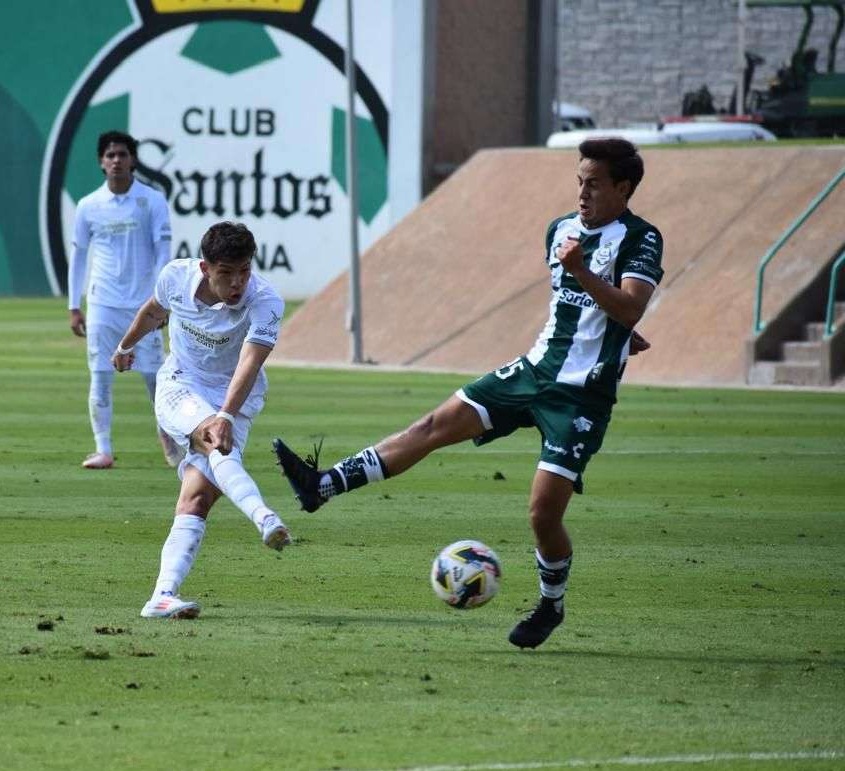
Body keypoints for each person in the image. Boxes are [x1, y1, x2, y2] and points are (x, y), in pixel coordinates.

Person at [274, 137, 663, 649]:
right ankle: (321, 486)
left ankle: (550, 605)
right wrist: (608, 324)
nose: (582, 193)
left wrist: (592, 286)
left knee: (543, 513)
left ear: (624, 187)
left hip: (581, 397)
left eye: (594, 183)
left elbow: (630, 306)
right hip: (533, 370)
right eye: (579, 181)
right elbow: (580, 308)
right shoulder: (560, 231)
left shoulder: (641, 238)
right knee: (431, 427)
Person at [114, 221, 291, 619]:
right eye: (226, 273)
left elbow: (251, 359)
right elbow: (153, 311)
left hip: (236, 397)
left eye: (244, 270)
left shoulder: (266, 300)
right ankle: (264, 518)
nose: (237, 283)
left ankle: (161, 596)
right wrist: (126, 345)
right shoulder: (175, 277)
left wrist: (227, 413)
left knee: (196, 498)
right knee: (212, 438)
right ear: (204, 267)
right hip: (180, 384)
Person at [69, 130, 180, 470]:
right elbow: (79, 256)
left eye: (122, 154)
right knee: (100, 375)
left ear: (133, 160)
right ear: (102, 163)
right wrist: (74, 305)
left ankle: (173, 444)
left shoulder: (152, 201)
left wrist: (162, 301)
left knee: (154, 378)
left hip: (143, 306)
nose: (116, 160)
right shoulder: (88, 205)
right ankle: (103, 449)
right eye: (110, 155)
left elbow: (164, 252)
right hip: (102, 303)